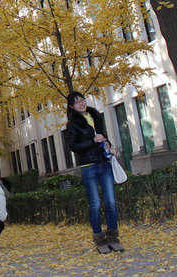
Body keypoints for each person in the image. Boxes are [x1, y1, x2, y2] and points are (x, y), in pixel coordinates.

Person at [65, 91, 123, 254]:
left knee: (111, 202)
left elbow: (103, 136)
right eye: (77, 102)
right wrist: (92, 141)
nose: (81, 104)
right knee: (95, 204)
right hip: (88, 166)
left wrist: (107, 143)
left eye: (82, 100)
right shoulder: (72, 124)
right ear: (71, 107)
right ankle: (99, 239)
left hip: (104, 164)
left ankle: (113, 237)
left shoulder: (96, 116)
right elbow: (73, 146)